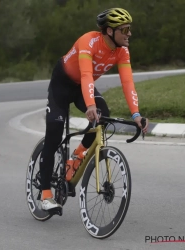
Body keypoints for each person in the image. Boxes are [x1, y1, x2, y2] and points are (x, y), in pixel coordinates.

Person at [39, 7, 149, 211]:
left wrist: (136, 115)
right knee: (54, 132)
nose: (129, 34)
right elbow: (86, 75)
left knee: (103, 116)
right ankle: (45, 193)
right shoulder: (88, 41)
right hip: (62, 85)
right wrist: (90, 105)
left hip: (82, 87)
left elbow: (127, 83)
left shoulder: (122, 51)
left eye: (129, 29)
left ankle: (77, 156)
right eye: (125, 30)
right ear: (110, 31)